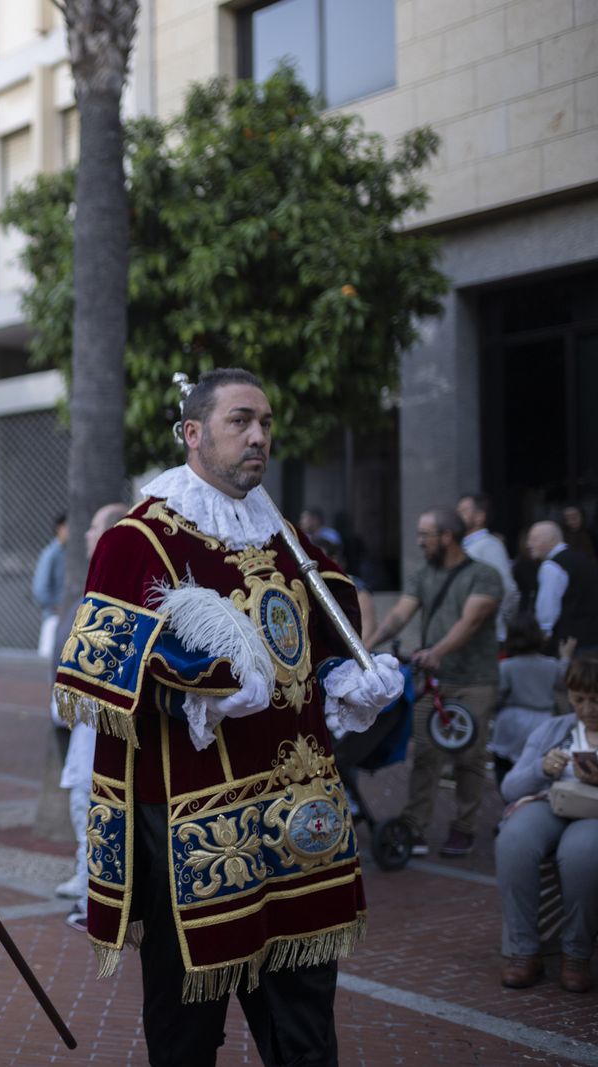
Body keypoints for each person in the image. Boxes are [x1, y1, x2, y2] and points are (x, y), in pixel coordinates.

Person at [54, 368, 400, 1067]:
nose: (259, 436)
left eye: (266, 423)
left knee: (304, 1020)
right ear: (192, 433)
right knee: (187, 1026)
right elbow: (94, 664)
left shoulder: (282, 533)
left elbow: (325, 622)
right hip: (195, 824)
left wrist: (345, 673)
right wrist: (199, 680)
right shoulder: (139, 538)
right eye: (241, 420)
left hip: (300, 814)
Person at [367, 508, 503, 857]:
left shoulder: (484, 576)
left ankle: (464, 827)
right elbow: (400, 614)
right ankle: (415, 825)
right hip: (434, 682)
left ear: (447, 537)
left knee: (469, 758)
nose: (419, 541)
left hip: (475, 680)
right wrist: (364, 647)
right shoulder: (423, 574)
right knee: (426, 754)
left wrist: (438, 651)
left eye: (425, 535)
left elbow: (471, 622)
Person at [496, 655, 598, 993]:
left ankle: (576, 953)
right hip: (552, 801)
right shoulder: (554, 729)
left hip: (594, 812)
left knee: (582, 853)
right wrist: (542, 768)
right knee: (514, 841)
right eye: (579, 699)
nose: (587, 709)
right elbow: (509, 788)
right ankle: (524, 951)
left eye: (596, 700)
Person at [54, 501, 127, 928]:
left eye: (95, 527)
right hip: (85, 735)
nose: (84, 533)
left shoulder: (114, 591)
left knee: (96, 826)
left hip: (100, 740)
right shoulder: (98, 582)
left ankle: (95, 908)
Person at [492, 616, 569, 789]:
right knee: (533, 767)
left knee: (504, 766)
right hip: (543, 720)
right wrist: (565, 658)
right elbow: (564, 683)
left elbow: (498, 696)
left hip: (512, 718)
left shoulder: (507, 666)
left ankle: (507, 799)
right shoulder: (550, 664)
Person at [527, 520, 598, 655]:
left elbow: (547, 610)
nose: (529, 544)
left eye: (534, 539)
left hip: (567, 645)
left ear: (552, 539)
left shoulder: (552, 566)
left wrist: (542, 639)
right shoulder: (584, 560)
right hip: (591, 640)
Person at [457, 492, 519, 642]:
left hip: (488, 636)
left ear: (479, 517)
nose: (457, 516)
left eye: (463, 511)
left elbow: (508, 589)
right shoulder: (464, 546)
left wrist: (499, 620)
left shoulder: (490, 545)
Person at [32, 512, 68, 656]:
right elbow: (40, 589)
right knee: (48, 660)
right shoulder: (50, 554)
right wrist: (56, 607)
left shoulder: (68, 553)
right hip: (54, 618)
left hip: (65, 618)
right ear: (60, 528)